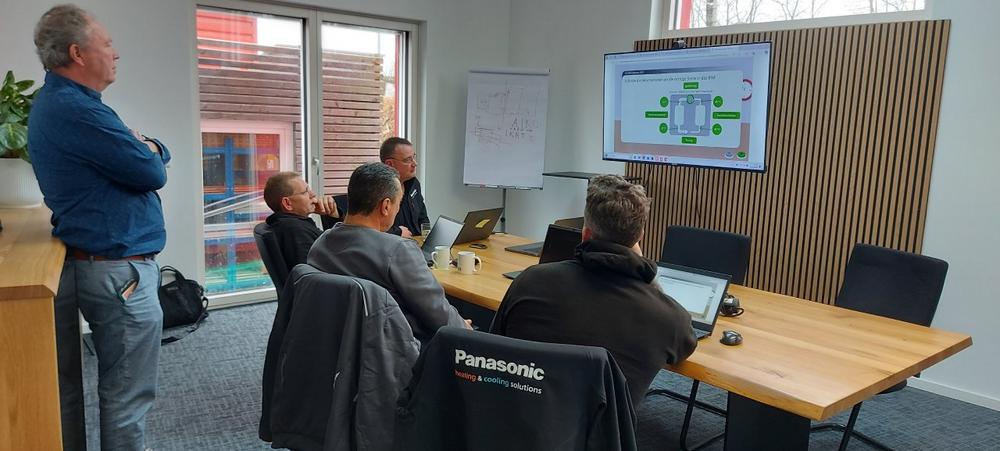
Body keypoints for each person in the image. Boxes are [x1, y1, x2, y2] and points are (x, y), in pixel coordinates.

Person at [27, 5, 170, 450]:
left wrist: (147, 146)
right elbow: (151, 171)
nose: (116, 53)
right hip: (117, 272)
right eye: (107, 44)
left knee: (74, 393)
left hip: (98, 264)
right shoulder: (79, 110)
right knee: (127, 397)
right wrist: (148, 146)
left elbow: (146, 154)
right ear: (78, 53)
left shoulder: (63, 104)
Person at [490, 175, 698, 407]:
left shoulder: (531, 280)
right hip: (600, 428)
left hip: (517, 419)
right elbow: (683, 350)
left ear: (585, 233)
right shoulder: (668, 318)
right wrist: (645, 272)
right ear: (640, 236)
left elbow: (494, 344)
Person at [307, 163, 470, 343]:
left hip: (337, 342)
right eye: (398, 204)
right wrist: (465, 328)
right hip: (399, 348)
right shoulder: (398, 250)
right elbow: (437, 312)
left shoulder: (320, 245)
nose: (397, 209)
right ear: (385, 206)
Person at [262, 172, 340, 274]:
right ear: (287, 203)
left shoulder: (286, 224)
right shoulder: (296, 231)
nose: (313, 194)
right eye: (305, 192)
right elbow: (313, 276)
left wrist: (332, 215)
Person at [380, 137, 428, 237]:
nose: (415, 164)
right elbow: (371, 228)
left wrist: (428, 236)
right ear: (389, 164)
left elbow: (423, 218)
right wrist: (398, 232)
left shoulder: (414, 184)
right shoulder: (377, 191)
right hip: (393, 244)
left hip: (417, 243)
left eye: (413, 157)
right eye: (408, 160)